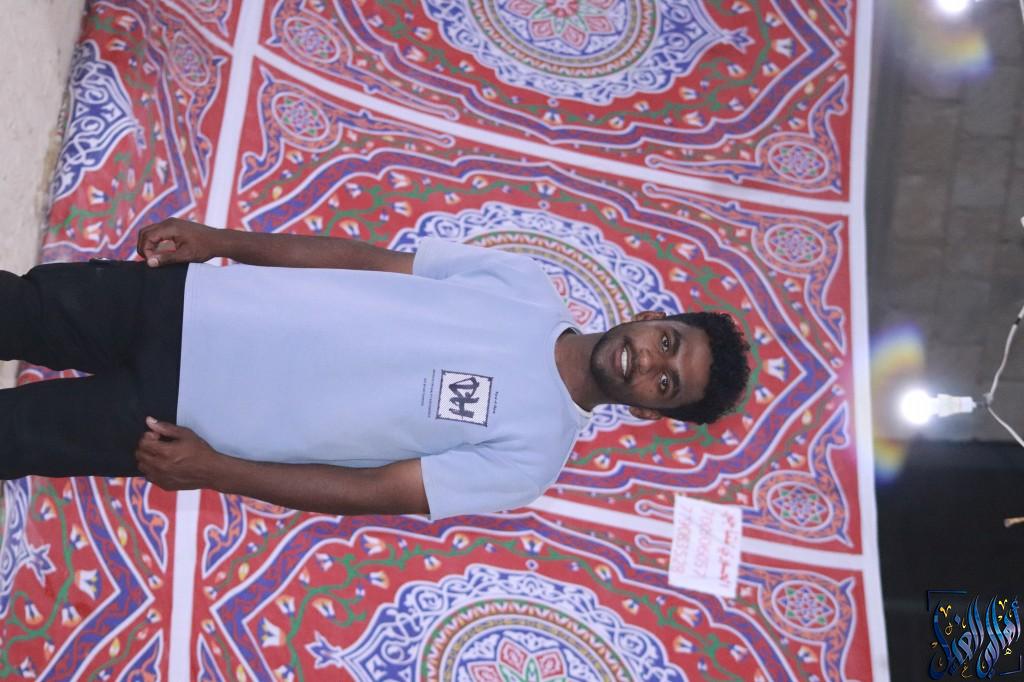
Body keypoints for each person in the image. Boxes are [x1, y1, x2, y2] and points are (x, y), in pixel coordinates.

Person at [0, 218, 751, 520]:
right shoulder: (522, 284)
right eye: (668, 341)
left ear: (649, 410)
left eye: (665, 384)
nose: (648, 360)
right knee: (17, 307)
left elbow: (369, 492)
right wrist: (222, 242)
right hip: (193, 302)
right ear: (654, 316)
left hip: (180, 415)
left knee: (14, 434)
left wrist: (214, 469)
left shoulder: (531, 460)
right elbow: (363, 261)